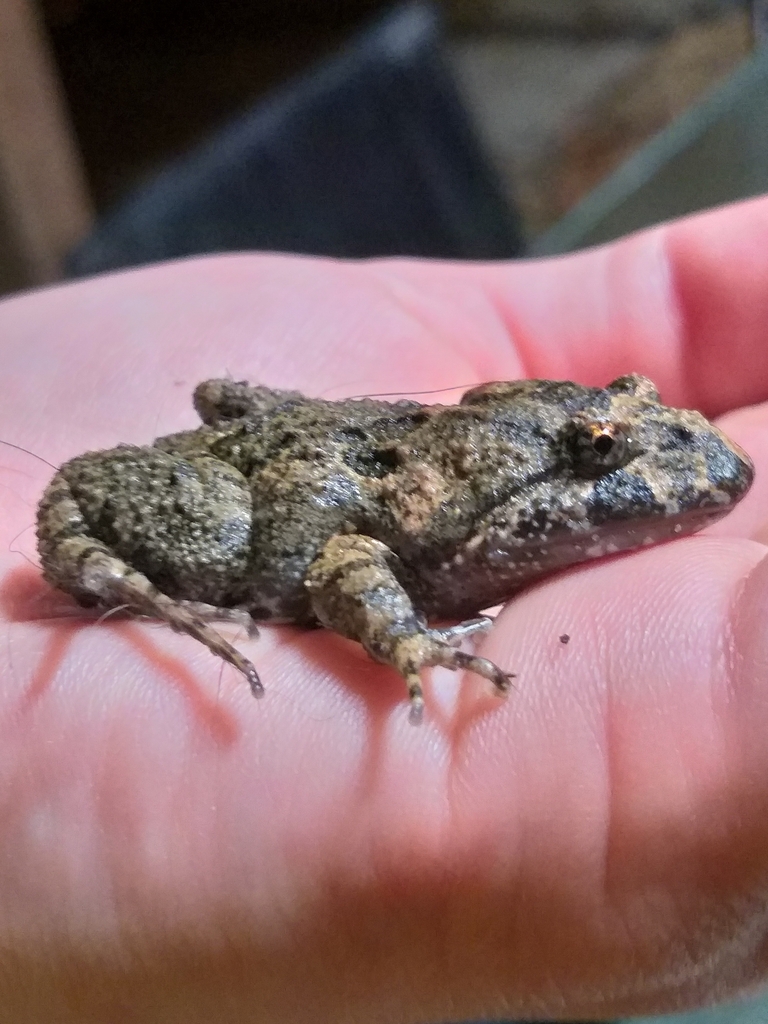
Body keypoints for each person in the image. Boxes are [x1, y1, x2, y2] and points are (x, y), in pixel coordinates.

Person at [0, 195, 766, 1024]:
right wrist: (405, 639)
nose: (637, 462)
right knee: (230, 535)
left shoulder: (471, 507)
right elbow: (343, 560)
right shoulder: (433, 528)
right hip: (253, 492)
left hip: (347, 446)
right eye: (602, 453)